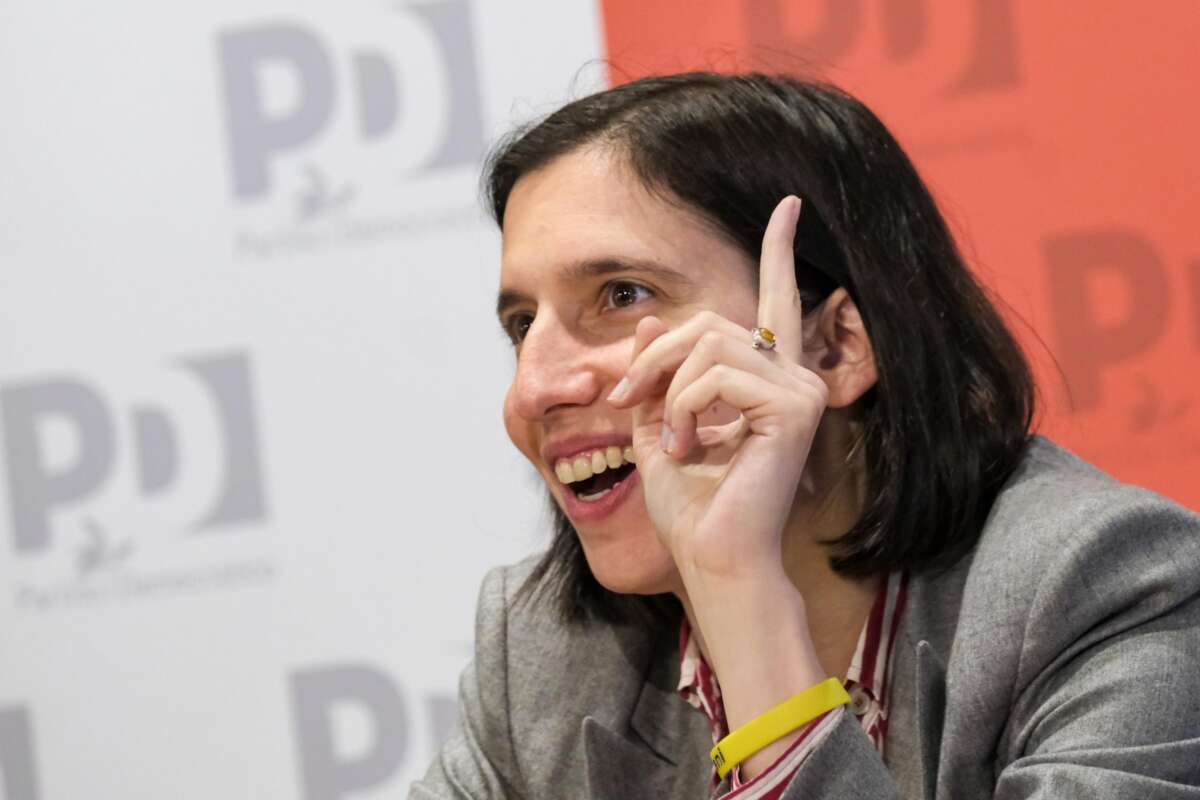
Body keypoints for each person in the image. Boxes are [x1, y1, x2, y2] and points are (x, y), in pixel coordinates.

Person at [409, 73, 1200, 799]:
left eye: (622, 294)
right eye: (523, 325)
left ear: (835, 346)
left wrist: (739, 592)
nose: (533, 390)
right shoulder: (543, 652)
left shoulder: (1102, 589)